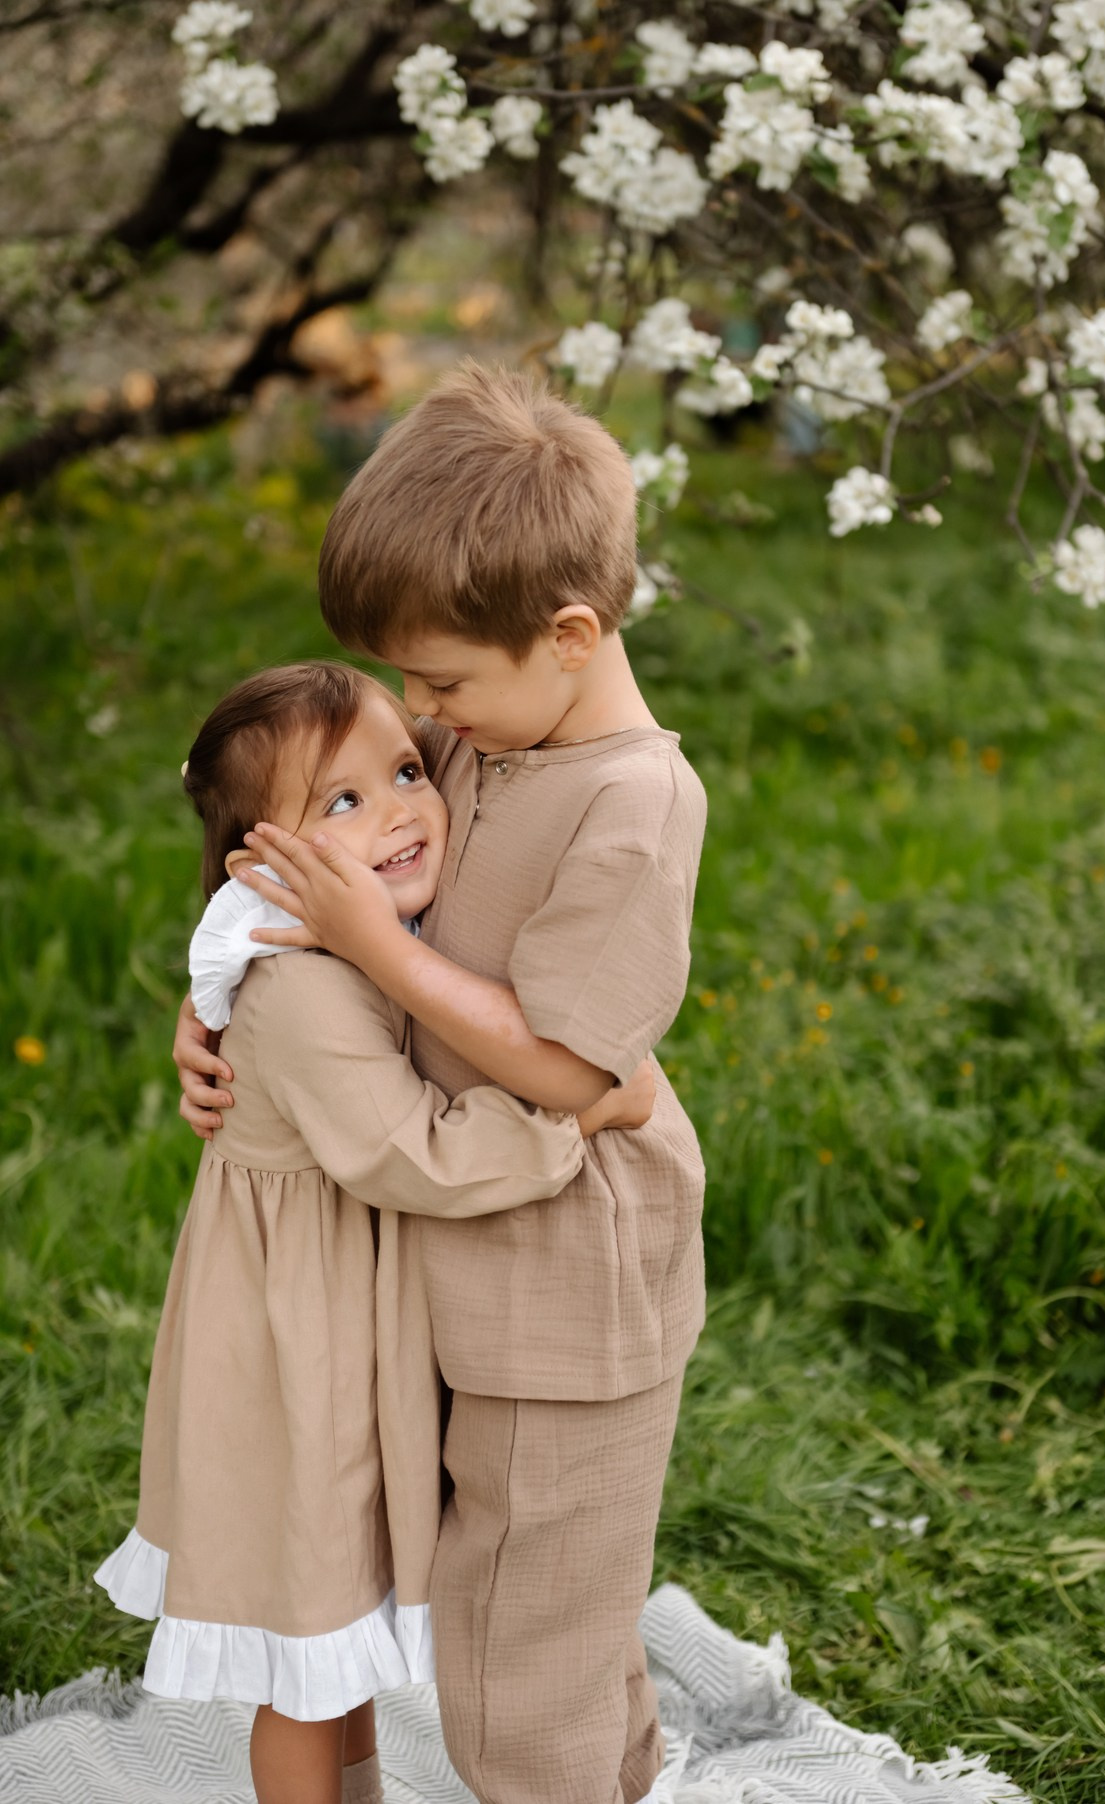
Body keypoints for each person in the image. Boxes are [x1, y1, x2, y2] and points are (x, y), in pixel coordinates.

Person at [175, 363, 708, 1804]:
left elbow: (564, 1066)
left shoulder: (633, 806)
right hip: (466, 1256)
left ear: (573, 634)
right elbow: (308, 856)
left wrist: (373, 955)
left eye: (441, 682)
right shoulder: (492, 728)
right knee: (549, 1606)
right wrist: (212, 1005)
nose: (421, 719)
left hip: (567, 1288)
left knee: (514, 1664)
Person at [101, 660, 652, 1804]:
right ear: (263, 865)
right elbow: (418, 1151)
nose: (400, 810)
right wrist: (578, 1112)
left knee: (333, 1637)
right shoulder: (300, 991)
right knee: (305, 1663)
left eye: (405, 771)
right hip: (294, 1362)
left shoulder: (337, 939)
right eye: (340, 803)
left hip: (337, 1332)